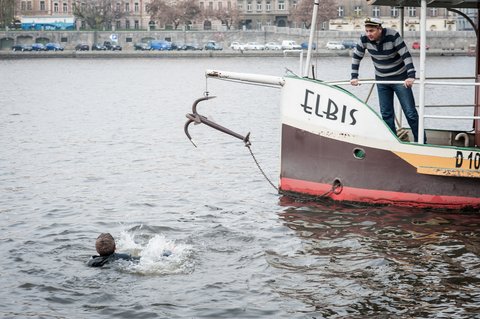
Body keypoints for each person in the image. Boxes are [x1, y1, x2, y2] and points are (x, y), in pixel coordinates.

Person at [350, 17, 424, 143]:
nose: (369, 34)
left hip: (400, 78)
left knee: (410, 112)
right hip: (382, 80)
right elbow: (356, 57)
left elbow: (406, 55)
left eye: (372, 31)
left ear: (380, 29)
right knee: (386, 113)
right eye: (367, 31)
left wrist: (411, 75)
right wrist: (354, 76)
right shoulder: (364, 39)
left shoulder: (393, 35)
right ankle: (393, 142)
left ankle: (421, 141)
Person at [87, 233, 172, 267]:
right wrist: (166, 253)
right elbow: (144, 260)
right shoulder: (123, 257)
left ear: (97, 250)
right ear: (115, 247)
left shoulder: (91, 262)